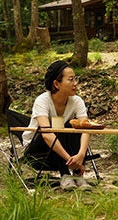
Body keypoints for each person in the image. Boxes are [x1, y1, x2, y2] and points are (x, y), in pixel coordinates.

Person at [23, 60, 92, 189]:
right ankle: (65, 174)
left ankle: (78, 176)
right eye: (70, 80)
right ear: (56, 84)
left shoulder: (77, 101)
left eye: (75, 79)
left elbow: (86, 129)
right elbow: (47, 135)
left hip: (63, 151)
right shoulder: (42, 101)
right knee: (57, 127)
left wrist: (81, 155)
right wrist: (70, 161)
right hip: (38, 152)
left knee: (75, 126)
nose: (75, 83)